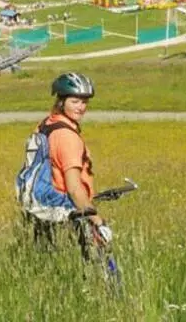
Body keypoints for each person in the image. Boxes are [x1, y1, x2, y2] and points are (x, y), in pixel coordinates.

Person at [31, 73, 112, 253]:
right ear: (61, 102)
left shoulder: (45, 124)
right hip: (68, 212)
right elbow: (74, 188)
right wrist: (98, 221)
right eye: (75, 101)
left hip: (43, 208)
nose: (81, 107)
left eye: (84, 102)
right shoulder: (67, 137)